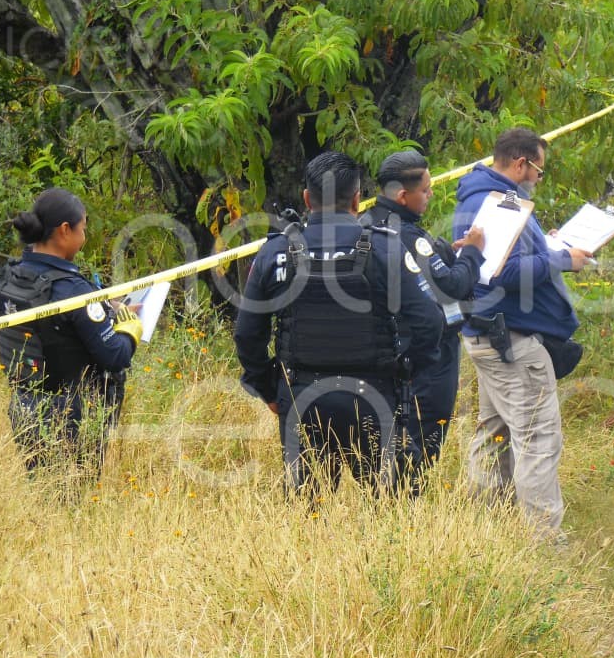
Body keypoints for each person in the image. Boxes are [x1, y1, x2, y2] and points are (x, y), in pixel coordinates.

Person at [234, 151, 444, 500]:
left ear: (307, 198)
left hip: (301, 397)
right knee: (390, 510)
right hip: (375, 395)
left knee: (308, 511)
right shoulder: (385, 248)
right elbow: (429, 321)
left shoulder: (276, 252)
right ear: (358, 199)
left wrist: (270, 389)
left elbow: (247, 333)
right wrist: (407, 371)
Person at [452, 127, 592, 533]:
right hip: (511, 344)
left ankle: (487, 528)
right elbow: (503, 274)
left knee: (495, 434)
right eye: (539, 171)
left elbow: (498, 260)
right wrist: (563, 259)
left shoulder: (483, 196)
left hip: (492, 337)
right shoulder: (500, 203)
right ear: (520, 164)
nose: (538, 179)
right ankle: (543, 541)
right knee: (538, 440)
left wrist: (545, 246)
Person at [0, 188, 142, 483]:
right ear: (64, 230)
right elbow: (115, 356)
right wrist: (130, 326)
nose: (84, 237)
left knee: (45, 494)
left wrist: (104, 308)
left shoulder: (10, 276)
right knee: (74, 497)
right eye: (82, 229)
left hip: (25, 407)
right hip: (71, 415)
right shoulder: (73, 291)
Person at [360, 151, 485, 467]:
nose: (430, 195)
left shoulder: (367, 225)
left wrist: (444, 254)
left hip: (382, 354)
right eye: (426, 190)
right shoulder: (407, 234)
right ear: (403, 196)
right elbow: (451, 286)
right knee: (421, 445)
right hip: (426, 356)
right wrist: (473, 253)